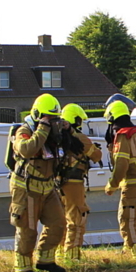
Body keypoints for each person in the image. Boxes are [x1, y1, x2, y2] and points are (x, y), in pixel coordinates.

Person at [6, 93, 70, 272]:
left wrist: (66, 129)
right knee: (27, 229)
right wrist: (42, 128)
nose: (52, 122)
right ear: (37, 115)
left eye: (55, 118)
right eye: (48, 118)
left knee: (58, 223)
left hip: (48, 186)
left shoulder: (54, 133)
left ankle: (45, 260)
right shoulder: (24, 130)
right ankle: (23, 268)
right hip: (26, 188)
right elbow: (26, 149)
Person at [104, 99, 136, 255]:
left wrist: (112, 184)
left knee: (127, 217)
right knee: (133, 215)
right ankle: (129, 247)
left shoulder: (123, 135)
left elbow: (121, 163)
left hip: (132, 181)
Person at [57, 103, 103, 260]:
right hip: (74, 182)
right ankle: (72, 256)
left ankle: (59, 252)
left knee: (61, 220)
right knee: (77, 218)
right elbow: (96, 156)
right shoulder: (80, 138)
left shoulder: (56, 136)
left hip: (56, 183)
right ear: (76, 120)